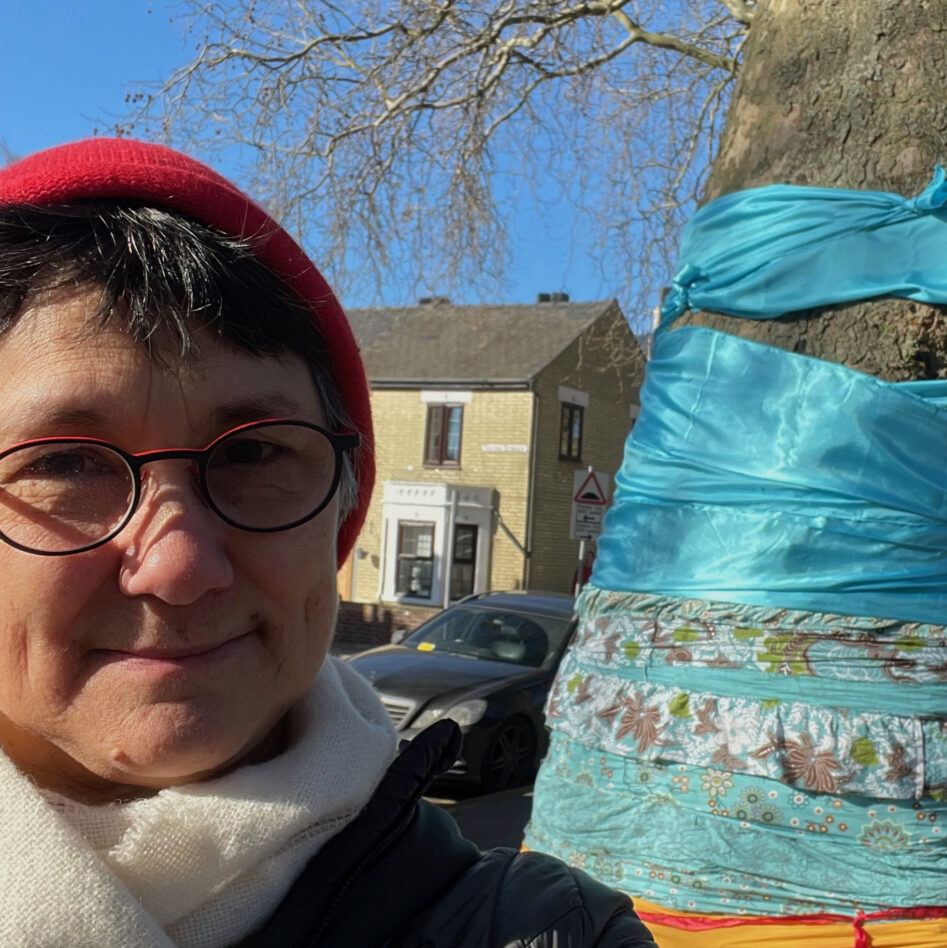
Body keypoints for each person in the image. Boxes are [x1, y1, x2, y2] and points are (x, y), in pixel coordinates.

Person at [0, 138, 656, 948]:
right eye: (65, 464)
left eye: (253, 454)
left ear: (338, 511)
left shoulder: (544, 933)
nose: (179, 565)